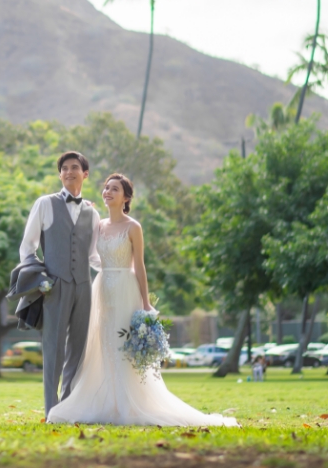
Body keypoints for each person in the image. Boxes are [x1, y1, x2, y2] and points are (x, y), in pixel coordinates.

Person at [46, 173, 238, 427]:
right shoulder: (98, 225)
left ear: (125, 197)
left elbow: (140, 267)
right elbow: (82, 242)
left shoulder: (133, 227)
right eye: (106, 188)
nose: (108, 192)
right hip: (102, 287)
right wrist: (84, 209)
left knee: (123, 348)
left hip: (126, 288)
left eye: (114, 189)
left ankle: (128, 405)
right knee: (103, 346)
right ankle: (106, 404)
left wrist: (145, 303)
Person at [19, 151, 102, 417]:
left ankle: (68, 407)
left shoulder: (92, 212)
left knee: (78, 349)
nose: (68, 172)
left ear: (85, 174)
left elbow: (92, 256)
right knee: (53, 349)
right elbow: (27, 247)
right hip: (54, 286)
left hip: (83, 286)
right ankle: (50, 410)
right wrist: (40, 278)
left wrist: (118, 270)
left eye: (74, 167)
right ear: (59, 174)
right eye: (64, 168)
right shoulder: (44, 203)